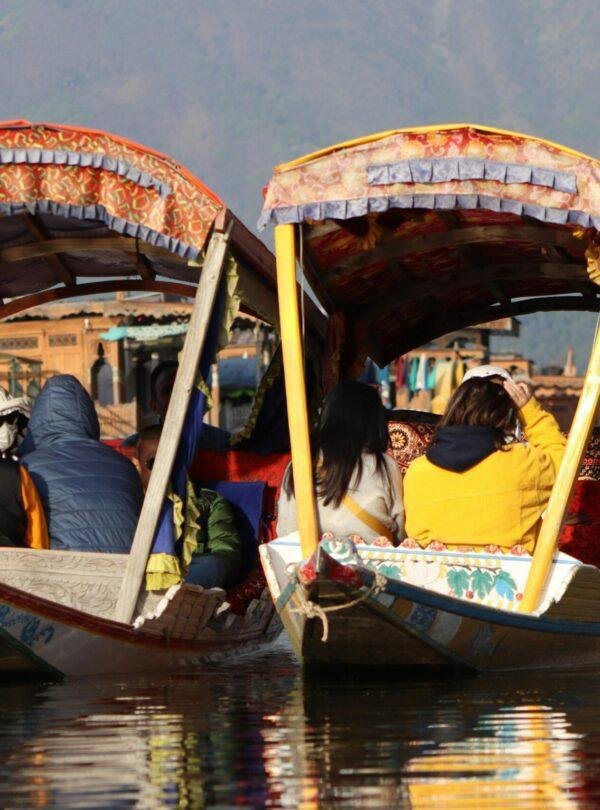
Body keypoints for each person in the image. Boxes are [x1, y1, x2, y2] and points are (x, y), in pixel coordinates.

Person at [403, 365, 567, 553]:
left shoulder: (417, 472)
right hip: (515, 580)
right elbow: (566, 467)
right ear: (507, 416)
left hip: (428, 579)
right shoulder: (523, 463)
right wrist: (530, 412)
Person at [20, 375, 143, 553]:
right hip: (127, 573)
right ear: (88, 415)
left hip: (62, 572)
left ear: (39, 418)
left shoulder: (27, 467)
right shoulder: (125, 466)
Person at [277, 381, 404, 543]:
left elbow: (286, 531)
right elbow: (399, 534)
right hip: (371, 564)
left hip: (311, 563)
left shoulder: (301, 464)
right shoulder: (385, 467)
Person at [136, 425, 242, 587]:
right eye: (155, 462)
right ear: (138, 466)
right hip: (137, 577)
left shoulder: (210, 501)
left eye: (173, 462)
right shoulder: (129, 501)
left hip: (188, 578)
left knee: (213, 567)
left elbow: (228, 556)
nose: (166, 470)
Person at [0, 386, 49, 549]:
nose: (7, 429)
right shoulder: (16, 475)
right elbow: (38, 546)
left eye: (10, 421)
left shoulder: (17, 473)